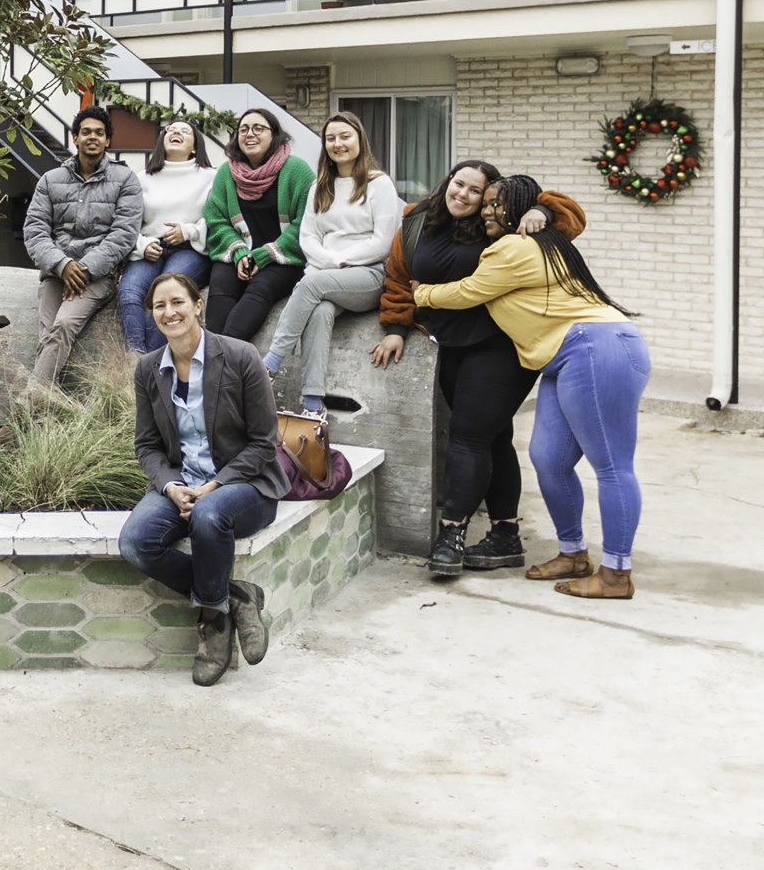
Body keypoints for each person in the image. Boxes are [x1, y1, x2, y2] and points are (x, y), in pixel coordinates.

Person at [411, 174, 646, 599]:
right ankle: (573, 552)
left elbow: (470, 292)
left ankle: (616, 574)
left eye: (495, 204)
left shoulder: (516, 246)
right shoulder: (541, 241)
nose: (485, 210)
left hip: (595, 346)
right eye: (485, 203)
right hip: (561, 357)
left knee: (611, 466)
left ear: (517, 209)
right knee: (548, 459)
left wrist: (422, 294)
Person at [375, 160, 586, 581]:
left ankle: (451, 534)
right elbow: (398, 279)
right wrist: (396, 327)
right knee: (493, 437)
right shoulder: (417, 222)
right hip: (451, 345)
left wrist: (541, 210)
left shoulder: (504, 227)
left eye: (476, 191)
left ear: (488, 199)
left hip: (502, 346)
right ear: (447, 182)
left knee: (469, 437)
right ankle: (505, 534)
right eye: (459, 184)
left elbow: (571, 220)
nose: (464, 195)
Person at [118, 270, 289, 687]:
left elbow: (264, 442)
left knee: (208, 517)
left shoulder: (240, 356)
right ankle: (236, 595)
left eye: (177, 302)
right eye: (159, 305)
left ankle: (213, 624)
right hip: (182, 483)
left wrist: (214, 485)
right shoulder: (147, 370)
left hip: (245, 485)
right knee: (135, 543)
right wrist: (170, 485)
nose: (169, 311)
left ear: (198, 305)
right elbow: (147, 446)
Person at [262, 112, 403, 412]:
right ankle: (313, 403)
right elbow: (308, 237)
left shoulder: (379, 184)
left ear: (359, 140)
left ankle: (269, 365)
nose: (337, 143)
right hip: (326, 276)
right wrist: (327, 262)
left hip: (368, 276)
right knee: (320, 312)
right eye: (330, 138)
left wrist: (337, 261)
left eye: (344, 136)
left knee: (312, 284)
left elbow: (383, 242)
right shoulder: (320, 186)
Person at [23, 105, 145, 386]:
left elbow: (124, 235)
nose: (93, 137)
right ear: (75, 138)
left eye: (100, 133)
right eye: (86, 132)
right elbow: (35, 231)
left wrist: (85, 269)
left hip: (98, 276)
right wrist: (63, 264)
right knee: (47, 335)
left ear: (108, 141)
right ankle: (42, 413)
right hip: (55, 273)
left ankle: (25, 409)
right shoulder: (50, 180)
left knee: (63, 325)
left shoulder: (125, 180)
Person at [199, 108, 314, 341]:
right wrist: (239, 251)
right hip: (239, 254)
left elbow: (306, 222)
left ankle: (224, 355)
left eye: (258, 128)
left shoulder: (297, 171)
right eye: (243, 129)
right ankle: (211, 352)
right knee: (220, 283)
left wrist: (266, 254)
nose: (249, 134)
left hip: (283, 259)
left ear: (274, 134)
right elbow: (216, 219)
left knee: (261, 287)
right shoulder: (226, 173)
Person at [115, 117, 213, 357]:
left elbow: (216, 220)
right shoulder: (142, 178)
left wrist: (187, 231)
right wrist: (143, 245)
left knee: (170, 291)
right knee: (128, 292)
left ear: (194, 146)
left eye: (185, 131)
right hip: (150, 249)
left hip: (191, 249)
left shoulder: (212, 176)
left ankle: (150, 359)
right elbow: (128, 223)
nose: (176, 133)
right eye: (171, 130)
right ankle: (135, 357)